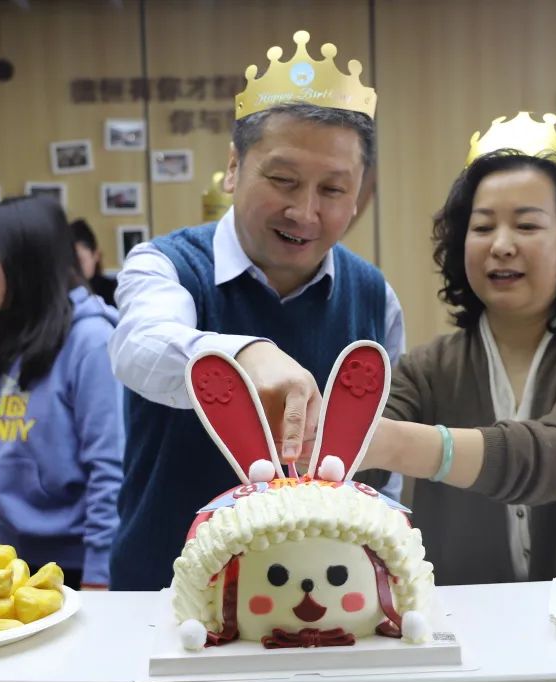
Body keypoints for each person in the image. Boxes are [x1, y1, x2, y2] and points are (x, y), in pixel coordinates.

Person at [108, 30, 404, 591]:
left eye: (334, 190)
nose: (304, 211)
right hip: (165, 596)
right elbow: (137, 347)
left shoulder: (374, 296)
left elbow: (377, 466)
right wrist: (243, 353)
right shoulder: (166, 266)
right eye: (282, 179)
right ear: (233, 167)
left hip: (324, 602)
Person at [360, 113, 556, 585]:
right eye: (482, 228)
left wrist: (395, 442)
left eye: (527, 226)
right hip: (465, 618)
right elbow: (361, 465)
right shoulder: (425, 369)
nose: (501, 245)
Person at [0, 196, 124, 590]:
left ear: (28, 257)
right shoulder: (4, 339)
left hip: (72, 568)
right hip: (5, 563)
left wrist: (99, 576)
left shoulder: (91, 340)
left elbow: (108, 470)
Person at [70, 218, 117, 306]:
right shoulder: (60, 295)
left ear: (96, 255)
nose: (73, 269)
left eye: (80, 261)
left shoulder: (114, 292)